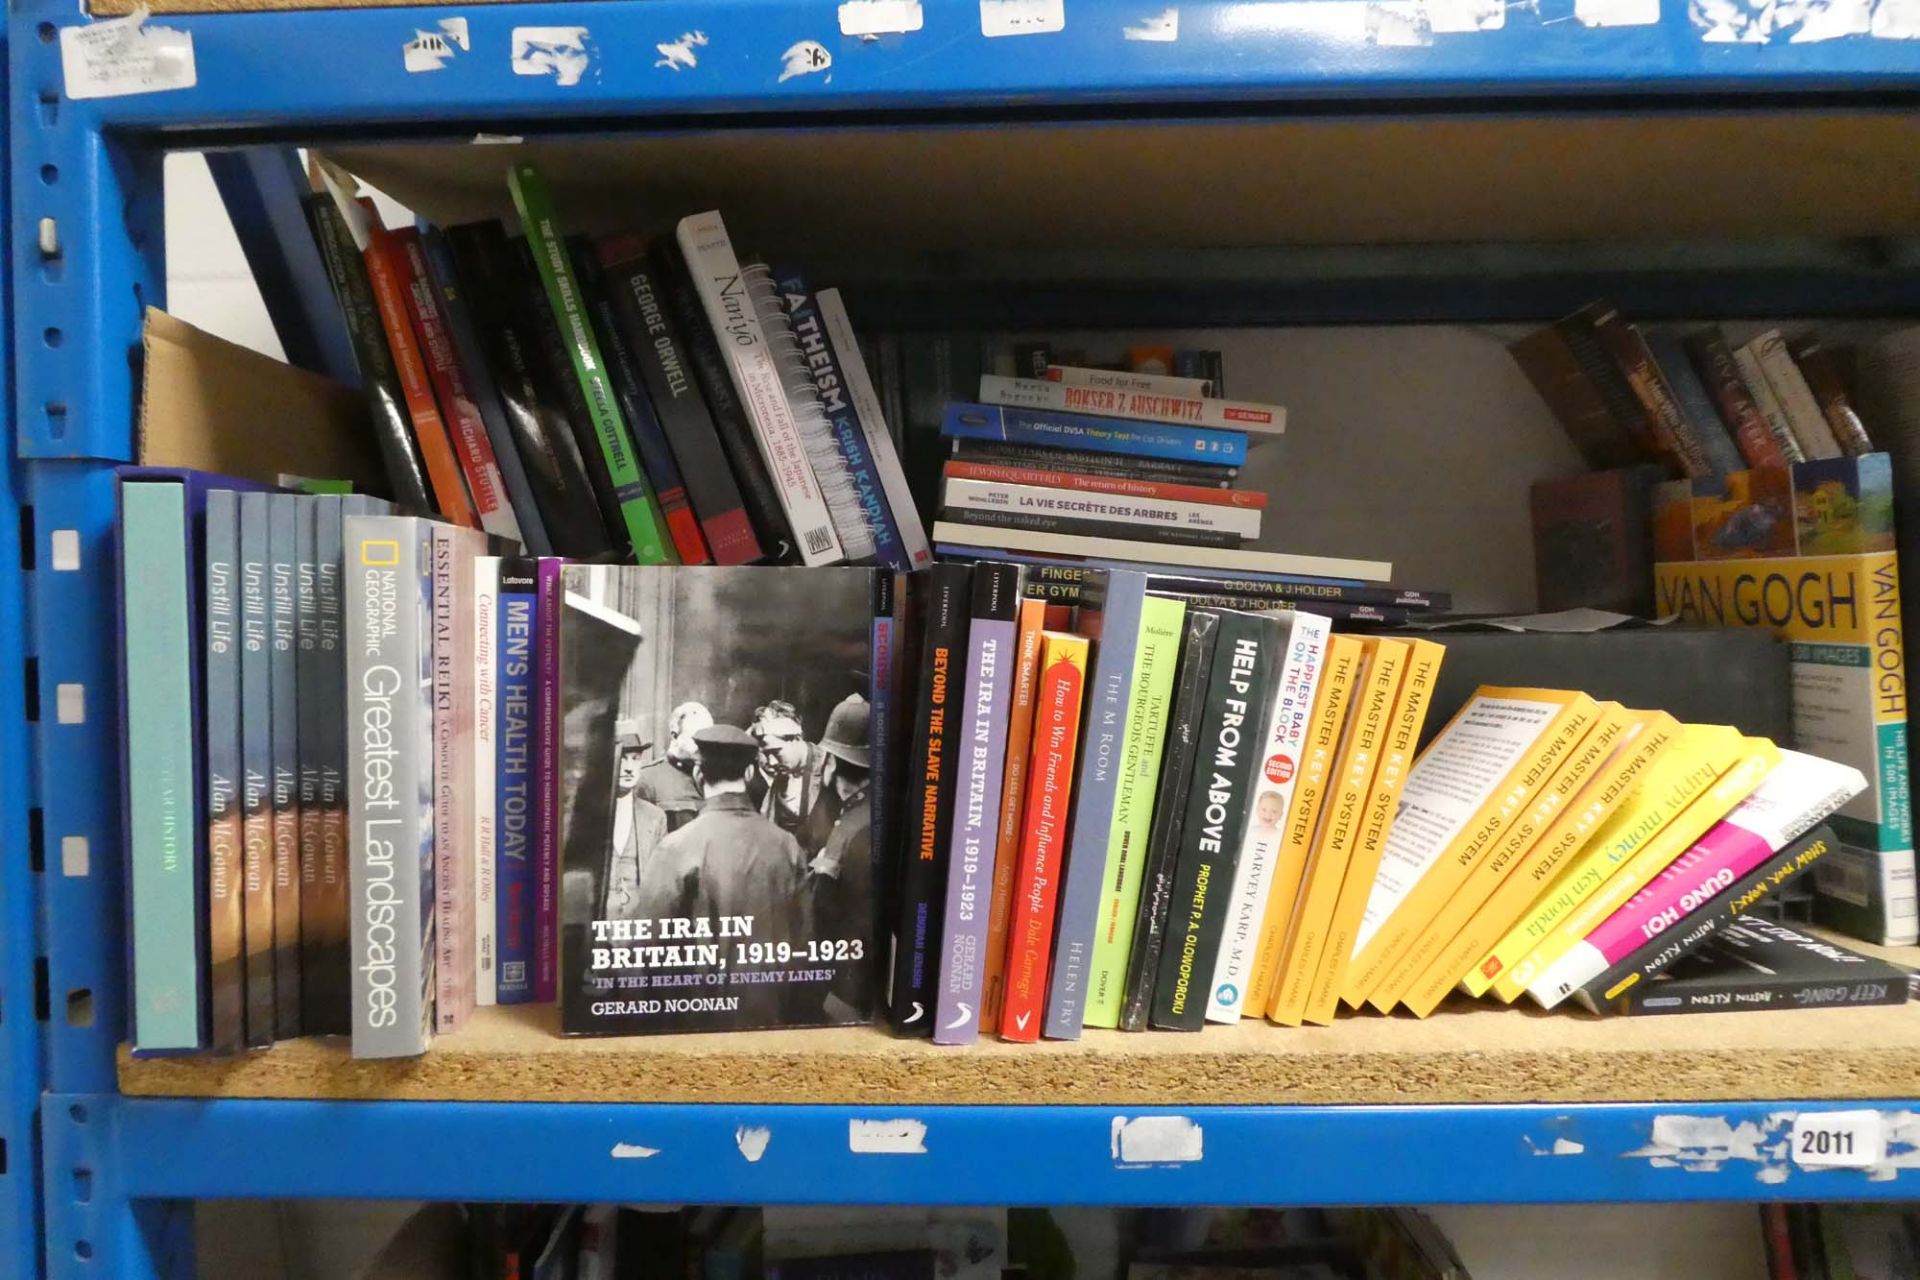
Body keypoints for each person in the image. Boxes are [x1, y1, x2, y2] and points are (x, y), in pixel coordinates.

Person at [653, 725, 810, 1023]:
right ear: (750, 774)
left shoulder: (676, 848)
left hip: (697, 1026)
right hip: (773, 1020)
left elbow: (644, 949)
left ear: (699, 775)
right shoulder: (787, 846)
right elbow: (805, 941)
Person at [804, 694, 875, 1020]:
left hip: (846, 989)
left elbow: (853, 919)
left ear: (833, 763)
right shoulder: (857, 816)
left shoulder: (857, 828)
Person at [601, 721, 669, 921]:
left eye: (635, 759)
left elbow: (660, 883)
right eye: (623, 759)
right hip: (597, 926)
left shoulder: (655, 817)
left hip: (639, 927)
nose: (630, 768)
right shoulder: (590, 816)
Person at [751, 700, 833, 846]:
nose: (771, 762)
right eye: (766, 754)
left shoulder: (830, 767)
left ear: (796, 738)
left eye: (776, 752)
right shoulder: (781, 776)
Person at [635, 700, 711, 833]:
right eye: (697, 740)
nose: (704, 746)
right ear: (675, 736)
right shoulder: (648, 779)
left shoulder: (716, 777)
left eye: (708, 740)